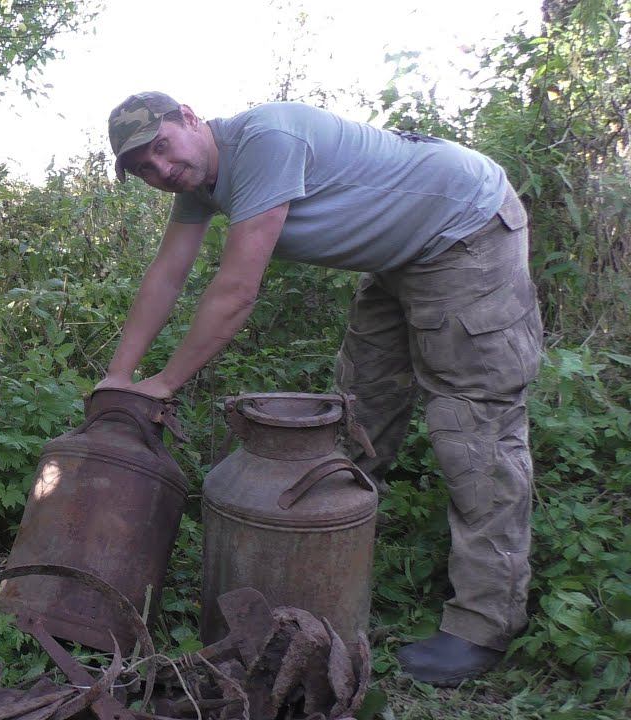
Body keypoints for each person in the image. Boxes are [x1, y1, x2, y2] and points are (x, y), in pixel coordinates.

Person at [97, 91, 542, 686]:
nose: (160, 170)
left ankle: (484, 625)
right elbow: (167, 274)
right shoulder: (198, 184)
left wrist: (165, 383)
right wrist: (119, 375)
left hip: (465, 228)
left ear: (192, 120)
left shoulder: (264, 140)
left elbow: (236, 291)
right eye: (142, 168)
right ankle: (337, 578)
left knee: (473, 429)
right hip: (399, 256)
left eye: (161, 148)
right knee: (360, 414)